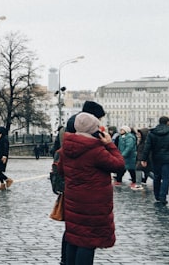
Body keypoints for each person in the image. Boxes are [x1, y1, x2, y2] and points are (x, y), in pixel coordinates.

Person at [59, 112, 126, 265]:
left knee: (74, 237)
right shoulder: (96, 151)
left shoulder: (66, 148)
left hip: (73, 201)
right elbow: (119, 166)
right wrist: (109, 144)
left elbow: (62, 171)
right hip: (93, 204)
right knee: (87, 242)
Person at [142, 115, 169, 205]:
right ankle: (163, 196)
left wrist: (144, 158)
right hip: (168, 159)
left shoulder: (152, 133)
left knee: (157, 177)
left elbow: (147, 147)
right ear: (168, 122)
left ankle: (157, 195)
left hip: (156, 158)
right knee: (166, 178)